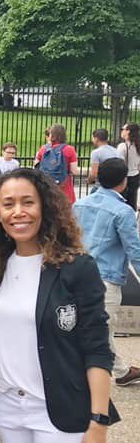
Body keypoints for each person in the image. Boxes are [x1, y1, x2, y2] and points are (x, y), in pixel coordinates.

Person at [0, 168, 118, 443]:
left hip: (60, 409)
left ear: (46, 207)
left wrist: (98, 422)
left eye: (28, 202)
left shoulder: (76, 267)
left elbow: (97, 349)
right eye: (8, 204)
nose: (18, 212)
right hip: (10, 408)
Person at [73, 157, 140, 387]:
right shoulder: (123, 212)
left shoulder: (79, 204)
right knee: (100, 330)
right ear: (124, 182)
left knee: (89, 327)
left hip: (77, 273)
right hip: (106, 277)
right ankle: (114, 373)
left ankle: (120, 371)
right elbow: (135, 251)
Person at [36, 123, 78, 203]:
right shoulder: (69, 149)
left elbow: (36, 165)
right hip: (64, 186)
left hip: (47, 186)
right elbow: (74, 171)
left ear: (51, 135)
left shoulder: (44, 149)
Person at [117, 122, 140, 209]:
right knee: (131, 202)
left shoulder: (123, 146)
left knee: (121, 203)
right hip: (135, 176)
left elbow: (119, 164)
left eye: (123, 129)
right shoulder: (137, 146)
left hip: (124, 177)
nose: (121, 131)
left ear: (128, 131)